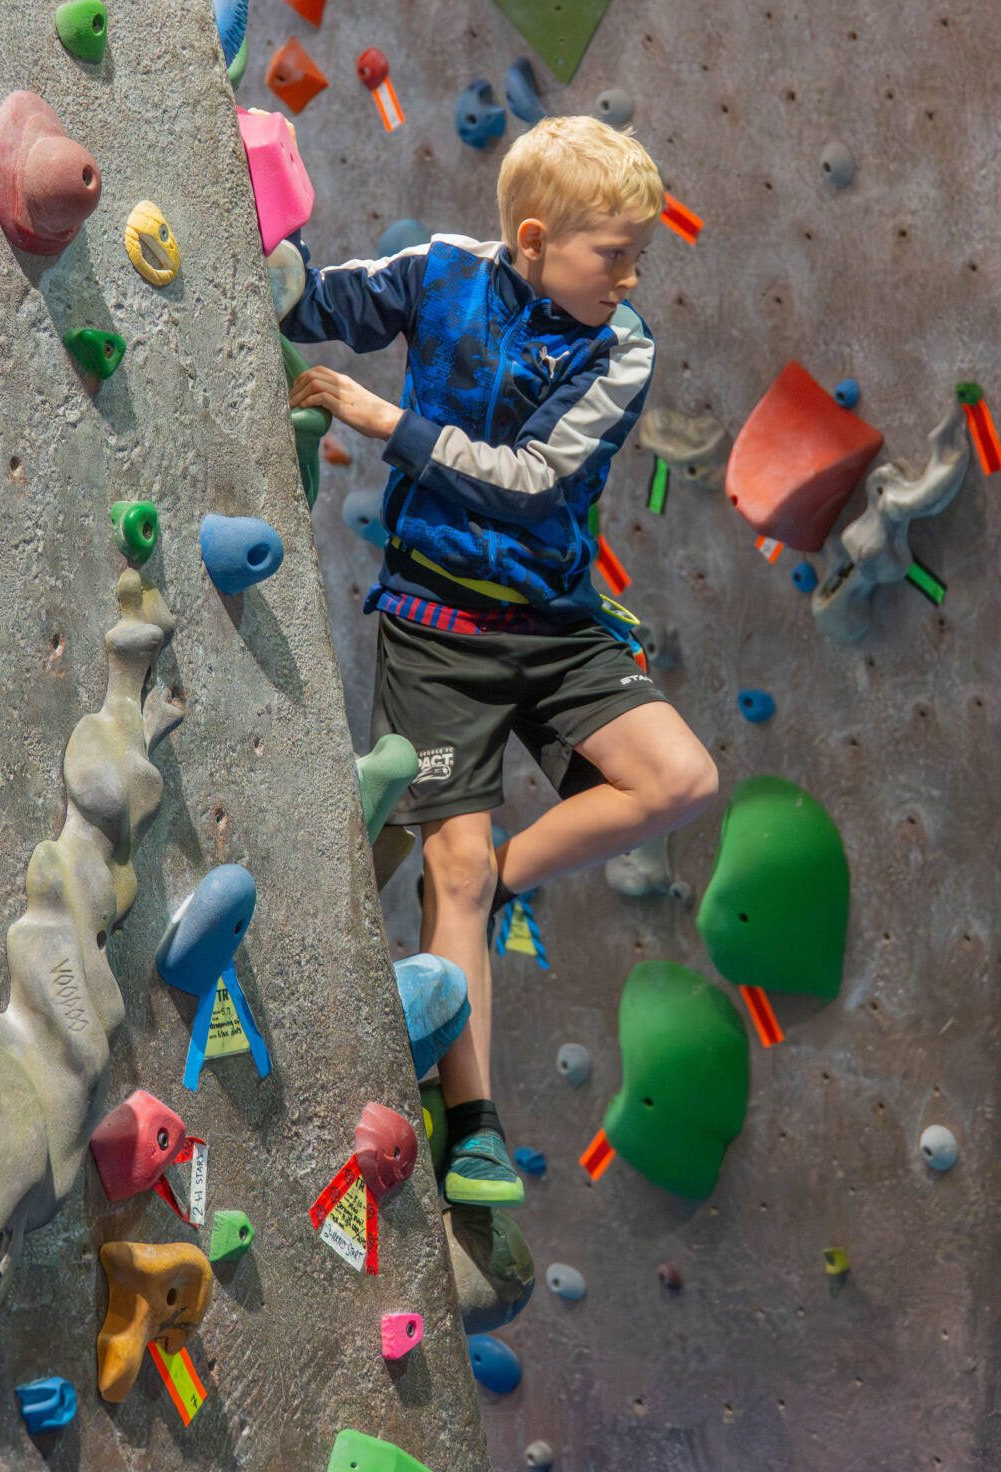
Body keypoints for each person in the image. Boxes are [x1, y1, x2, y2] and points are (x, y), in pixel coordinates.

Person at [282, 115, 719, 1207]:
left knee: (679, 778)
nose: (630, 276)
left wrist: (384, 418)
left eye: (638, 254)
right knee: (454, 868)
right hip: (436, 624)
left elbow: (530, 481)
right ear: (533, 238)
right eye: (612, 253)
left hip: (556, 623)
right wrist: (265, 239)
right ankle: (472, 1123)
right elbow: (314, 302)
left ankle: (504, 881)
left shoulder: (622, 348)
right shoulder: (439, 271)